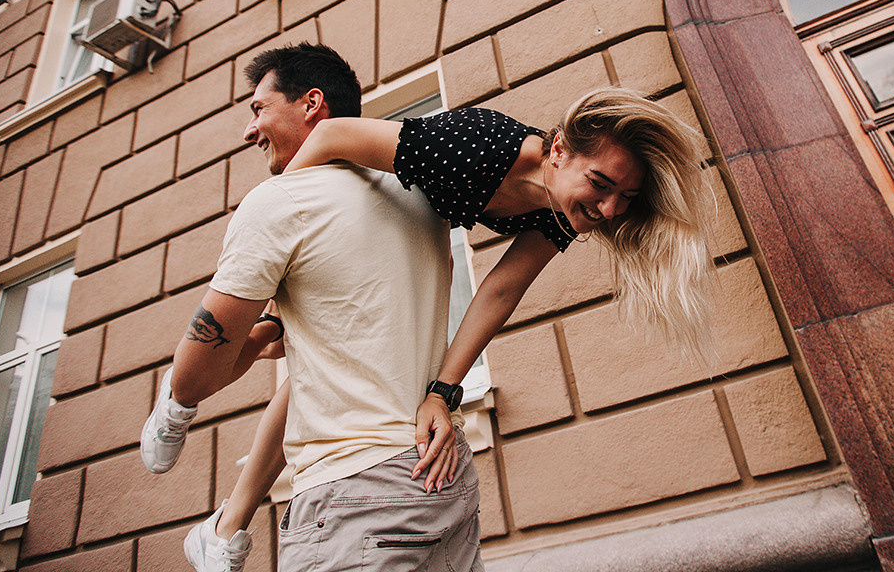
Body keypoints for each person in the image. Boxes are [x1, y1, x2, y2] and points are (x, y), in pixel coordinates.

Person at [141, 43, 717, 571]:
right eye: (602, 184)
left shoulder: (561, 208)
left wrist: (443, 392)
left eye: (625, 198)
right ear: (560, 149)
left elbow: (500, 290)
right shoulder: (472, 146)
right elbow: (329, 138)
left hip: (386, 436)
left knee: (311, 371)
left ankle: (226, 524)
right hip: (364, 184)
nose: (612, 208)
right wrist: (287, 217)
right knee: (311, 362)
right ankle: (217, 497)